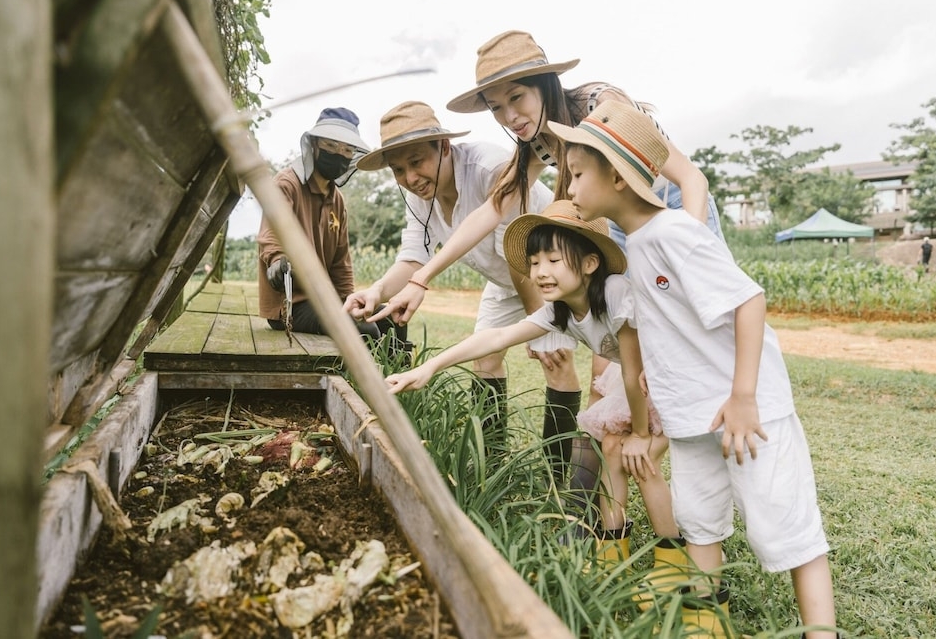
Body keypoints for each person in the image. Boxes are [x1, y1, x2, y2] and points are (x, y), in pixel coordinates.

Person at [548, 100, 837, 638]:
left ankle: (820, 631)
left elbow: (749, 300)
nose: (568, 190)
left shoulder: (676, 233)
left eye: (578, 174)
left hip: (745, 413)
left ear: (616, 175)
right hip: (690, 416)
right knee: (699, 522)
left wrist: (745, 396)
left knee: (788, 531)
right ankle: (705, 620)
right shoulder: (636, 247)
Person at [384, 200, 684, 581]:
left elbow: (633, 370)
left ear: (590, 263)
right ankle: (612, 547)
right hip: (640, 379)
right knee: (610, 446)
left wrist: (641, 434)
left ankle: (676, 562)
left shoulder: (613, 291)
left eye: (553, 260)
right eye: (535, 261)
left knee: (639, 460)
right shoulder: (558, 310)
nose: (540, 272)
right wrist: (429, 366)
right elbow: (497, 336)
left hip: (671, 377)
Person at [343, 101, 580, 478]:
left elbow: (519, 254)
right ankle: (492, 465)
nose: (410, 176)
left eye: (416, 161)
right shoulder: (420, 197)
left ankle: (557, 476)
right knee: (484, 360)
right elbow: (412, 257)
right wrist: (378, 291)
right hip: (504, 280)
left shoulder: (489, 167)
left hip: (548, 271)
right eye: (399, 170)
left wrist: (541, 322)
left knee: (556, 358)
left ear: (444, 148)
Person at [257, 107, 408, 352]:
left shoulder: (337, 199)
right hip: (291, 305)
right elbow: (270, 233)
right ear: (314, 145)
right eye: (331, 146)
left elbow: (341, 261)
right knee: (366, 331)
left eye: (347, 150)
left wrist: (351, 301)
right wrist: (276, 259)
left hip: (327, 301)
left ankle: (397, 383)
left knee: (390, 318)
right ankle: (362, 386)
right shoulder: (288, 184)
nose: (340, 154)